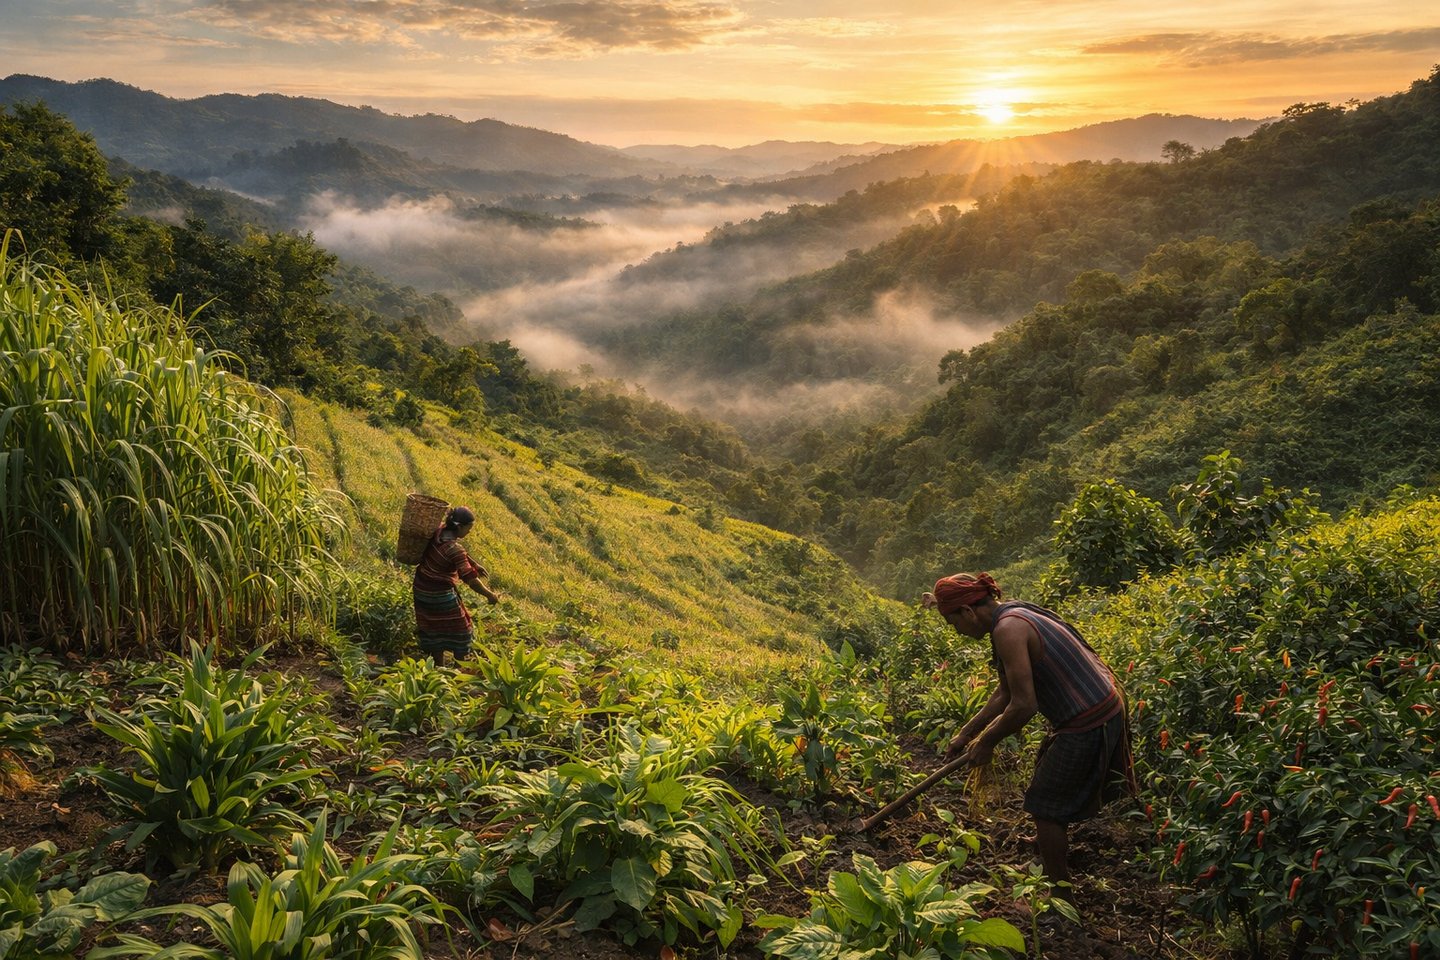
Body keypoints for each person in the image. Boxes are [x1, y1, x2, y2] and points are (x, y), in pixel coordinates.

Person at [924, 572, 1135, 882]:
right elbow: (1005, 693)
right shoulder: (1012, 613)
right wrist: (967, 733)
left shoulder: (1008, 631)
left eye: (954, 624)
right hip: (1096, 705)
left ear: (968, 612)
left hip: (1089, 719)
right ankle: (1046, 854)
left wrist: (986, 742)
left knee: (1045, 808)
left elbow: (1024, 705)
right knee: (1044, 780)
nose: (958, 632)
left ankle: (1060, 893)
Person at [412, 505, 500, 662]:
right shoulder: (454, 549)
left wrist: (474, 563)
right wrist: (490, 595)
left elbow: (458, 553)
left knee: (432, 627)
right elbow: (471, 580)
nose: (469, 531)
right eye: (469, 528)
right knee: (462, 631)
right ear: (460, 527)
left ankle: (437, 666)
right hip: (437, 593)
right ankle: (460, 667)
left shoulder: (439, 531)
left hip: (420, 587)